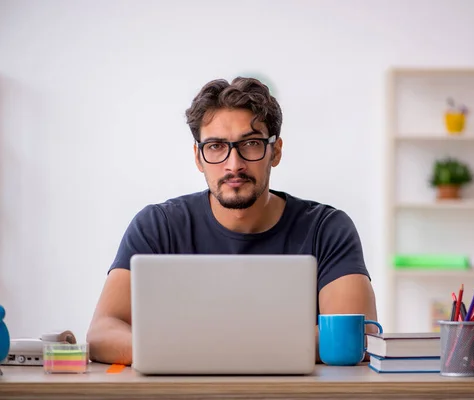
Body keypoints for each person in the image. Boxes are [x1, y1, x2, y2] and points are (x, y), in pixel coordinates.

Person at [86, 77, 378, 365]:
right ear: (198, 158)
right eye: (215, 146)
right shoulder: (157, 225)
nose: (233, 164)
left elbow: (350, 338)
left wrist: (199, 348)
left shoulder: (327, 229)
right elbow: (101, 333)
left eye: (250, 144)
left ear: (274, 151)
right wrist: (215, 350)